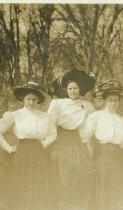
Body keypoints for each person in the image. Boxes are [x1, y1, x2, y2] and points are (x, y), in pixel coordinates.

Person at [0, 81, 57, 210]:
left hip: (39, 151)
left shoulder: (45, 117)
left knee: (40, 182)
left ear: (38, 100)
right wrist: (9, 148)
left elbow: (53, 134)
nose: (31, 102)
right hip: (23, 151)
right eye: (28, 99)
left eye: (34, 99)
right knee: (22, 181)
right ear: (23, 99)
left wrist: (43, 144)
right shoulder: (15, 115)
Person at [47, 69, 97, 210]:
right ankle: (60, 204)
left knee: (84, 168)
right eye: (70, 88)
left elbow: (86, 129)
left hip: (77, 140)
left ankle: (80, 206)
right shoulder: (58, 103)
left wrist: (87, 145)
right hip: (60, 138)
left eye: (75, 88)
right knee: (61, 167)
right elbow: (50, 123)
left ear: (79, 89)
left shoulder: (87, 106)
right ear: (66, 90)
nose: (73, 91)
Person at [80, 80, 123, 210]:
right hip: (103, 154)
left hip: (118, 156)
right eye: (110, 100)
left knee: (117, 185)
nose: (113, 103)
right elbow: (85, 136)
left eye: (116, 101)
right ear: (105, 101)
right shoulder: (97, 116)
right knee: (103, 184)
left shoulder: (120, 119)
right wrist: (91, 151)